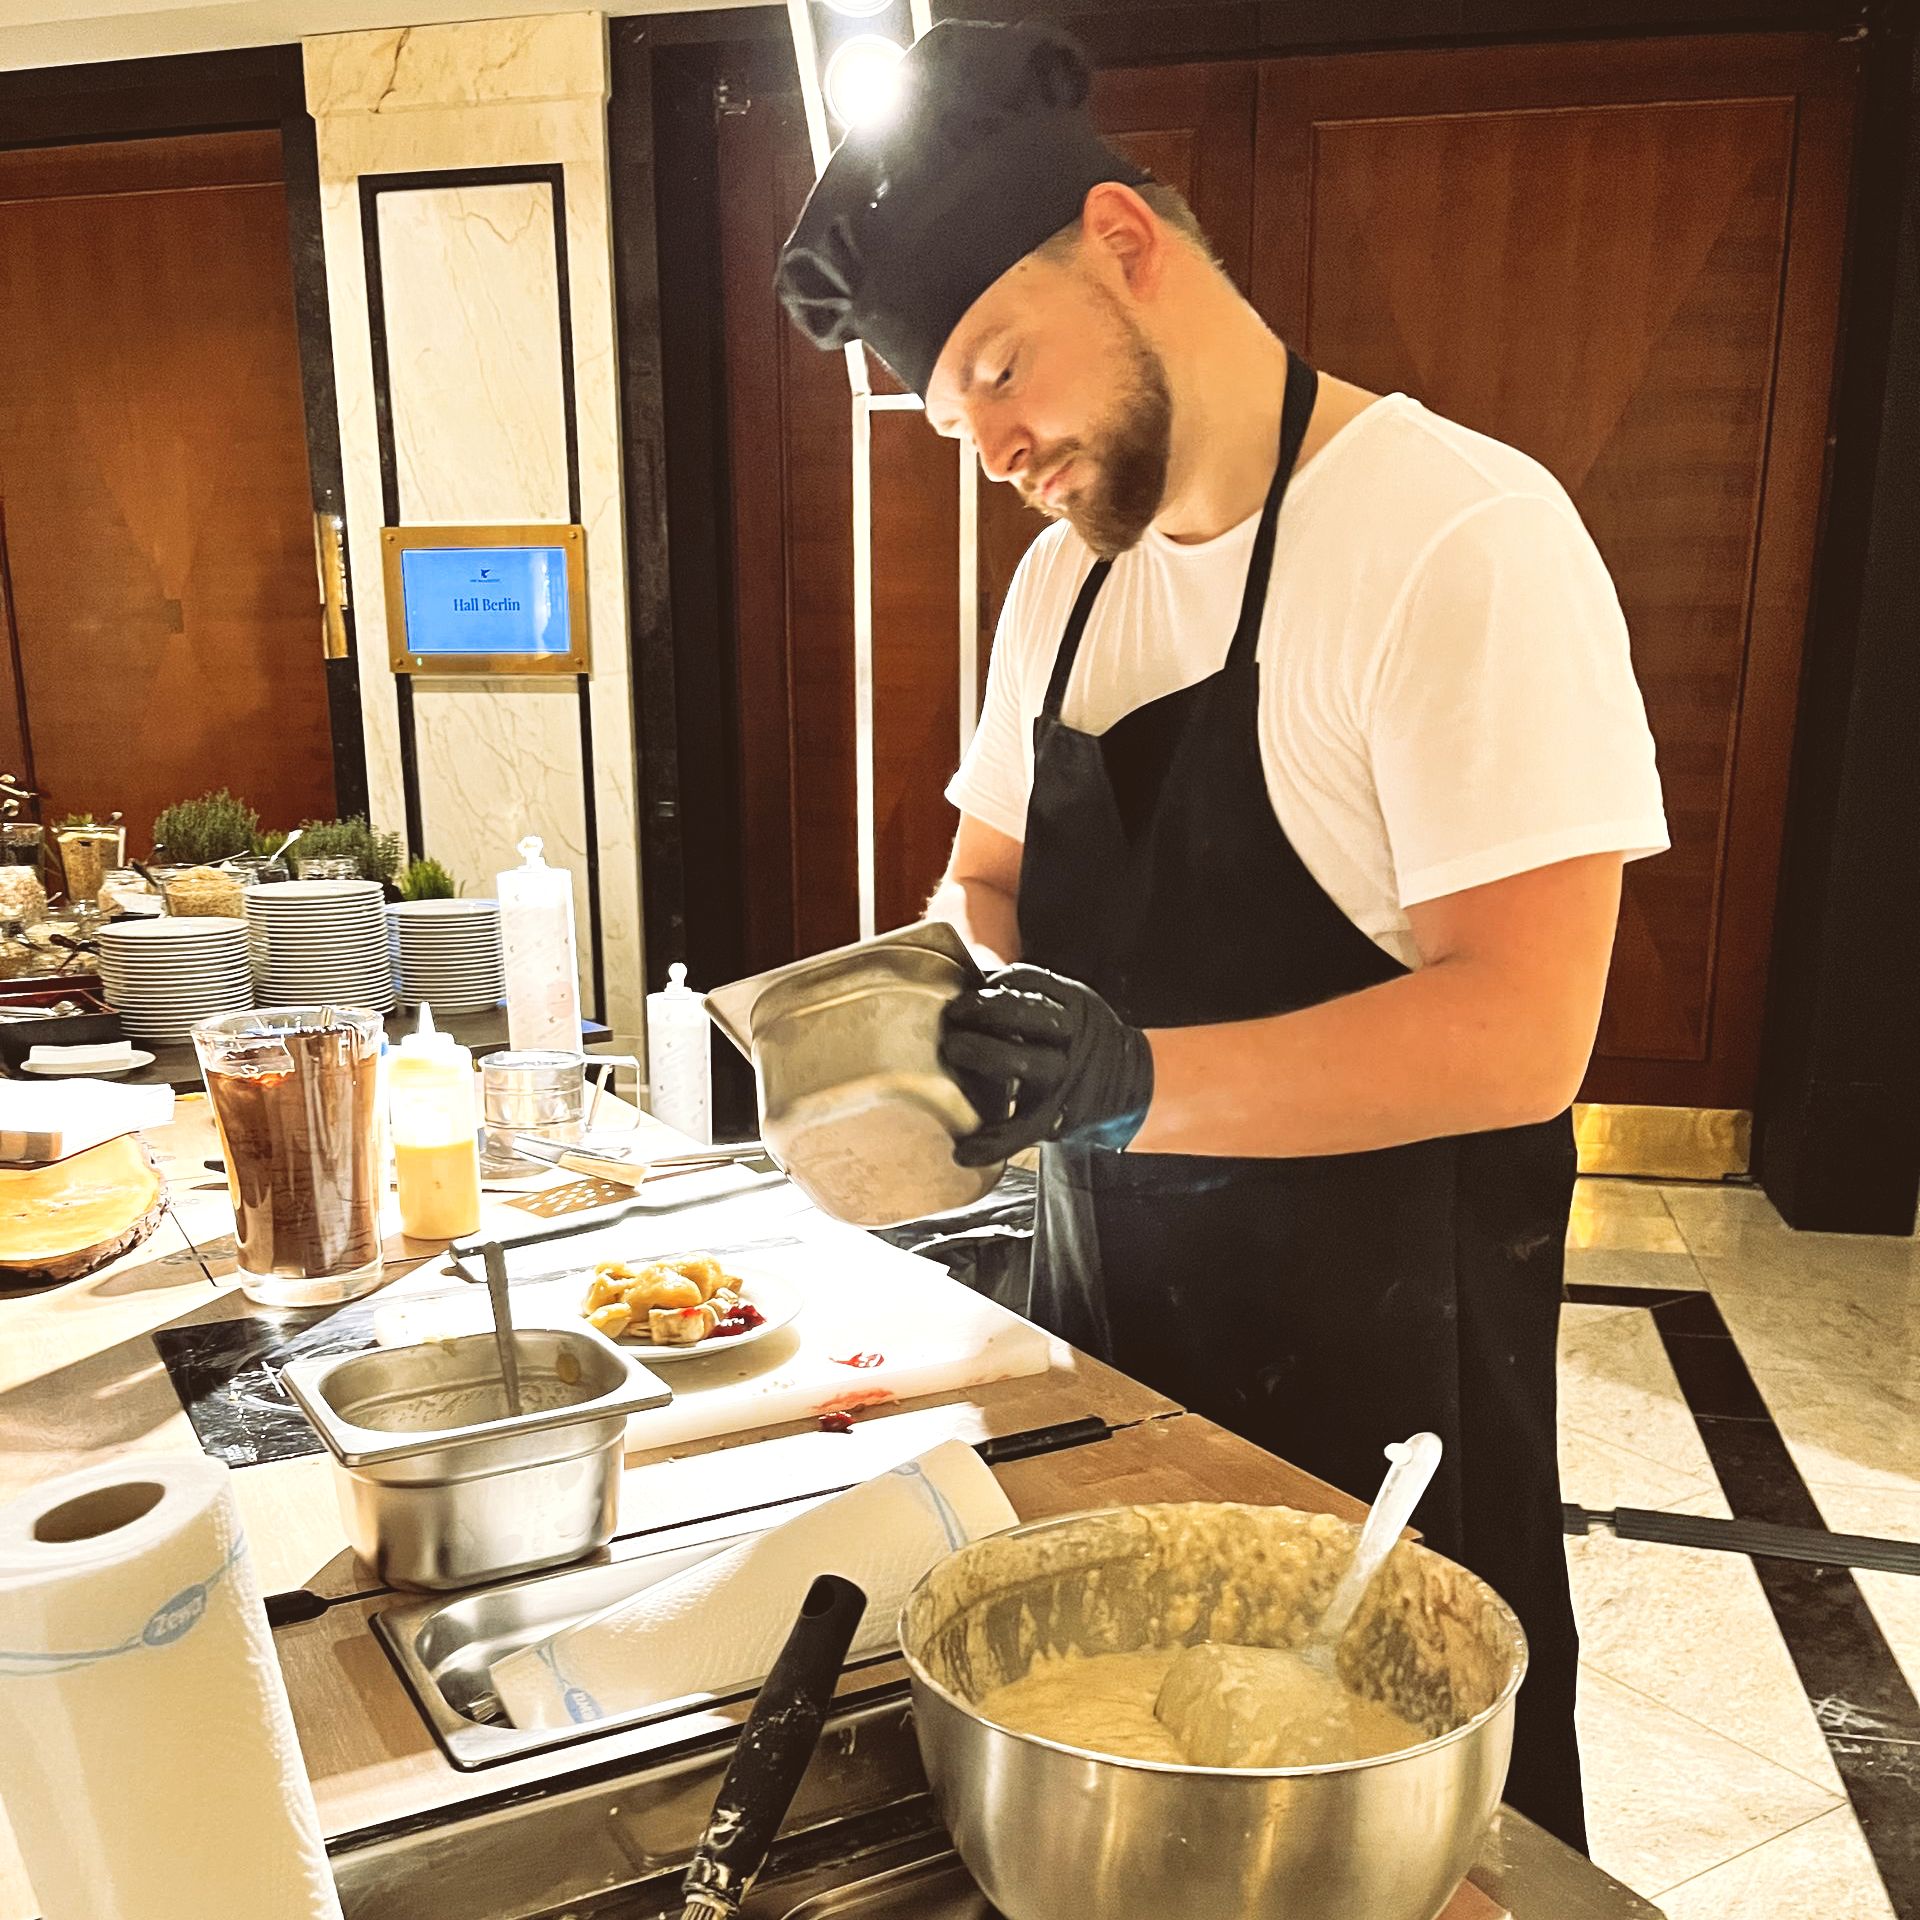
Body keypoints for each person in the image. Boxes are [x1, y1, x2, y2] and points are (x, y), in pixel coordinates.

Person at [776, 19, 1666, 1852]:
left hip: (1388, 1390)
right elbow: (990, 879)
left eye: (1004, 373)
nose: (996, 448)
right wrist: (940, 1001)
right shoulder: (1061, 583)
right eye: (957, 423)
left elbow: (1522, 1032)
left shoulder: (1458, 537)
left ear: (1126, 240)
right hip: (1115, 1356)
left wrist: (1134, 1085)